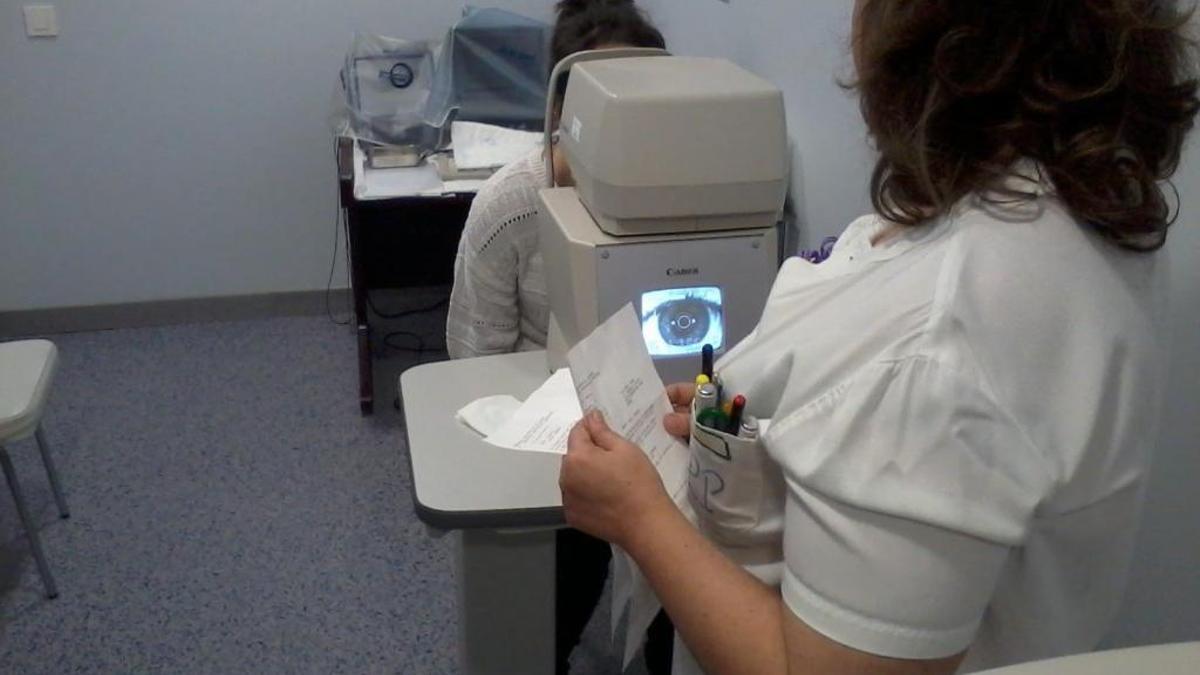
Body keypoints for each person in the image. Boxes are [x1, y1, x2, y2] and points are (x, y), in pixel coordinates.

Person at [560, 1, 1198, 674]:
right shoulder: (1072, 211)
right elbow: (876, 423)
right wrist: (756, 422)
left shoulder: (944, 341)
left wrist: (641, 517)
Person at [445, 2, 671, 673]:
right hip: (546, 439)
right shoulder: (508, 210)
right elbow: (475, 368)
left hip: (657, 425)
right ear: (559, 116)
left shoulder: (681, 195)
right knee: (548, 605)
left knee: (685, 595)